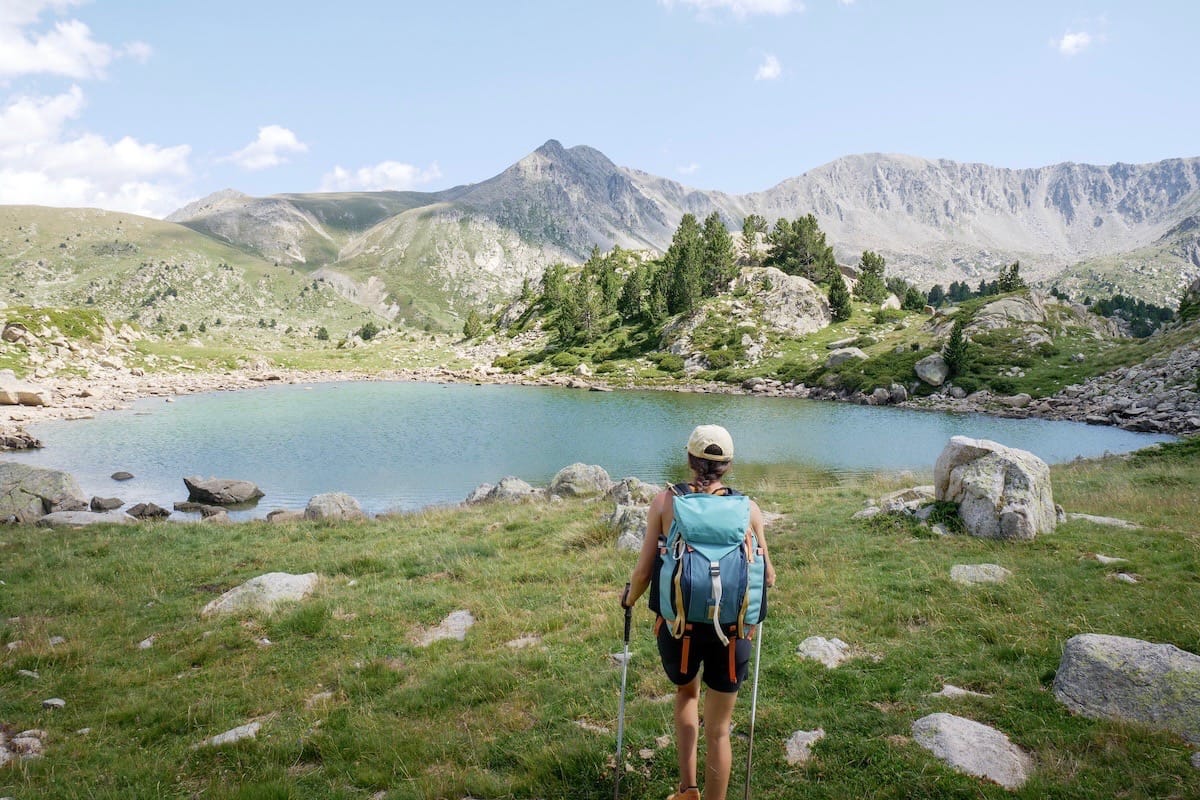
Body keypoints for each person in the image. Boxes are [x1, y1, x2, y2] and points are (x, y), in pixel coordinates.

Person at [621, 424, 776, 800]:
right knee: (720, 728)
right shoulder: (748, 508)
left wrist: (628, 599)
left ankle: (687, 789)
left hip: (679, 626)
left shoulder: (665, 502)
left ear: (690, 460)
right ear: (728, 465)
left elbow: (643, 573)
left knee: (687, 697)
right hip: (734, 629)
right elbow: (768, 576)